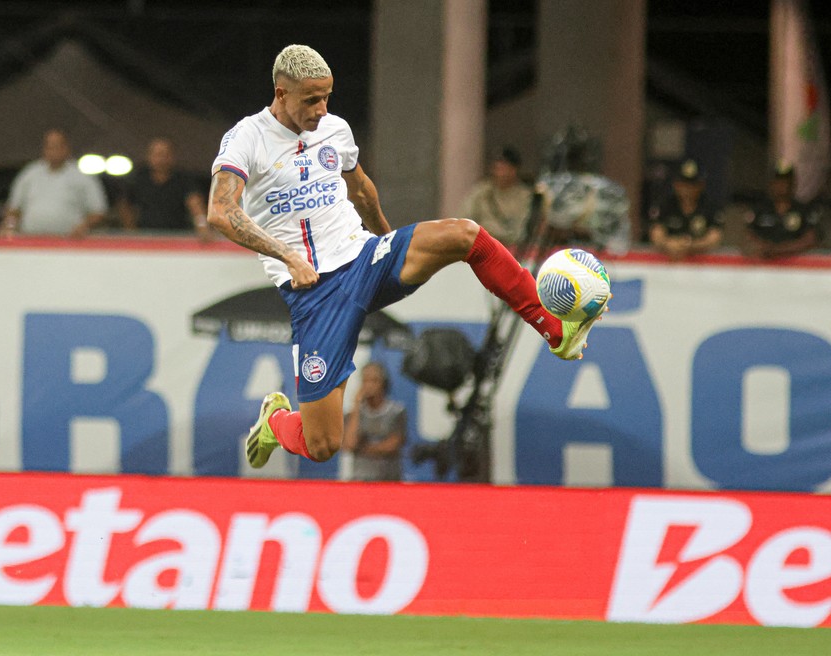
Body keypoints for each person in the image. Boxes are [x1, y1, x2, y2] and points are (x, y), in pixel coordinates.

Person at [206, 44, 607, 469]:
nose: (322, 109)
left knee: (463, 234)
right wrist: (288, 256)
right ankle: (275, 422)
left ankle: (555, 331)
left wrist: (389, 241)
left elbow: (360, 189)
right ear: (281, 92)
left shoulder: (334, 129)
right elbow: (221, 211)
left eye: (327, 97)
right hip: (316, 293)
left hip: (363, 258)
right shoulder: (247, 137)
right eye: (311, 99)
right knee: (323, 444)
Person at [0, 129, 107, 238]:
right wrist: (9, 226)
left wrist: (84, 226)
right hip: (31, 240)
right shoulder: (29, 174)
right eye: (50, 147)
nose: (54, 151)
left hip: (69, 243)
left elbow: (98, 212)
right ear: (44, 149)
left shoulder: (83, 177)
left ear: (67, 148)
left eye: (58, 146)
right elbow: (13, 209)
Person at [117, 137, 213, 239]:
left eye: (165, 155)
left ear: (172, 156)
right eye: (157, 155)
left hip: (177, 236)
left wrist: (202, 227)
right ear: (148, 156)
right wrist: (131, 232)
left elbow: (195, 204)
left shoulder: (183, 180)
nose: (161, 159)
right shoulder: (137, 179)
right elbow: (125, 206)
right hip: (145, 236)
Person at [741, 160, 824, 259]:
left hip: (795, 266)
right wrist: (762, 249)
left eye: (785, 182)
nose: (782, 186)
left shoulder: (804, 211)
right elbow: (747, 237)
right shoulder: (759, 209)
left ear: (793, 184)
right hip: (763, 265)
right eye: (778, 182)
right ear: (771, 184)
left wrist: (778, 250)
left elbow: (810, 239)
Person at [342, 361, 407, 482]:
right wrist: (356, 406)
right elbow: (349, 444)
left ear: (383, 383)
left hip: (389, 480)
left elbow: (393, 445)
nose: (369, 385)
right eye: (365, 381)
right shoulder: (353, 414)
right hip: (360, 480)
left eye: (374, 381)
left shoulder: (396, 412)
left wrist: (363, 449)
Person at [647, 159, 723, 261]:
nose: (688, 190)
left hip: (702, 264)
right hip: (669, 261)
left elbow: (715, 238)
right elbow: (656, 234)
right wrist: (668, 243)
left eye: (693, 185)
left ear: (701, 186)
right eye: (684, 185)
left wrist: (690, 245)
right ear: (676, 185)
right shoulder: (665, 204)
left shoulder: (709, 206)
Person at [457, 146, 533, 246]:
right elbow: (465, 218)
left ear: (514, 170)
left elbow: (525, 228)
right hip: (484, 246)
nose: (500, 173)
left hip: (514, 248)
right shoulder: (481, 193)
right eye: (498, 168)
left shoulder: (526, 196)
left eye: (505, 168)